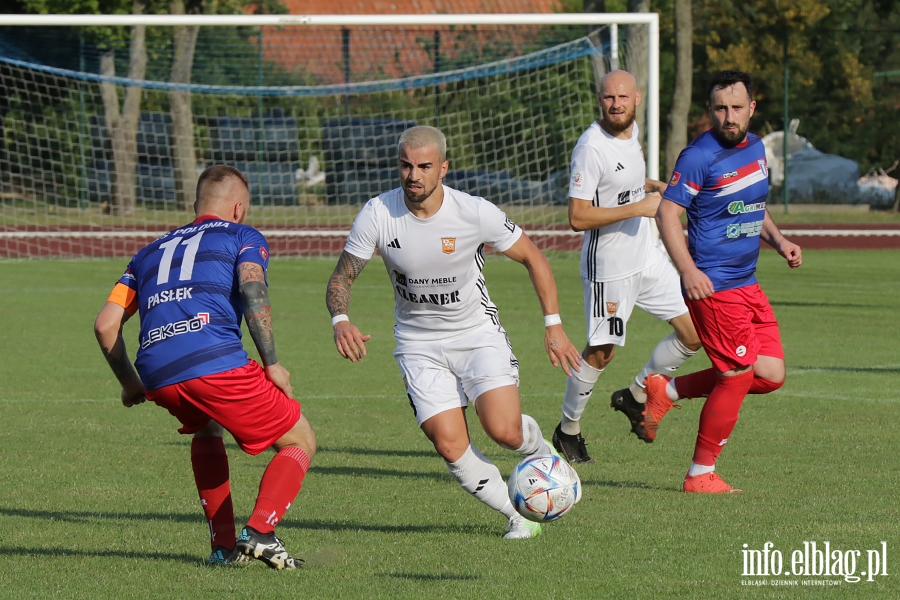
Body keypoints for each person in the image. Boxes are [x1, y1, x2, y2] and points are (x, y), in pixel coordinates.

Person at [326, 125, 582, 539]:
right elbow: (341, 278)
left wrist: (553, 325)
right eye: (406, 165)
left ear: (443, 167)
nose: (414, 175)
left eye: (424, 166)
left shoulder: (474, 212)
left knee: (505, 431)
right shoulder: (377, 213)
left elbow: (534, 257)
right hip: (417, 345)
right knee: (449, 445)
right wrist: (341, 320)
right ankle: (518, 516)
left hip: (476, 333)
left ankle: (543, 454)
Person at [93, 165, 316, 568]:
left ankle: (223, 549)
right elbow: (252, 289)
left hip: (158, 372)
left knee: (208, 428)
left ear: (195, 205)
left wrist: (131, 384)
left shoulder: (148, 252)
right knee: (299, 439)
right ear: (239, 208)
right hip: (213, 362)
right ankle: (262, 531)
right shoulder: (242, 235)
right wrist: (273, 364)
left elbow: (105, 324)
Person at [653, 70, 802, 494]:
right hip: (714, 286)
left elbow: (755, 205)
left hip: (747, 282)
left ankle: (667, 388)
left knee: (769, 373)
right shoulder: (698, 156)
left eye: (737, 107)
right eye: (720, 108)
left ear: (752, 108)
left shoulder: (755, 148)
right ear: (710, 111)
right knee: (736, 374)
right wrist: (688, 271)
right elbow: (667, 214)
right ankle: (700, 474)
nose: (729, 116)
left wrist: (778, 239)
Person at [552, 69, 703, 464]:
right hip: (609, 268)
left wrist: (650, 186)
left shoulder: (632, 132)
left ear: (637, 98)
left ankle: (635, 395)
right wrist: (639, 207)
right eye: (608, 98)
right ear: (599, 100)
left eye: (622, 98)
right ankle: (567, 430)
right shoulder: (591, 147)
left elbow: (623, 180)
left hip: (646, 254)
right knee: (602, 353)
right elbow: (578, 217)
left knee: (695, 331)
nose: (615, 105)